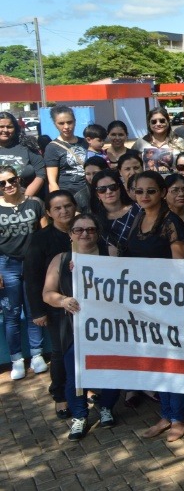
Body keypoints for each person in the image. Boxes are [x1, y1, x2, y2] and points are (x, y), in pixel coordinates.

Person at [122, 171, 184, 441]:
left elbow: (180, 267)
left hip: (168, 304)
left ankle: (179, 418)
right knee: (155, 362)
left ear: (162, 192)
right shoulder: (138, 217)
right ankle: (165, 414)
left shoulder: (171, 222)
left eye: (151, 191)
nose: (145, 196)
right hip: (143, 303)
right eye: (139, 191)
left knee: (172, 361)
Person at [42, 214, 122, 440]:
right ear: (70, 234)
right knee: (74, 374)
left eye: (91, 229)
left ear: (98, 232)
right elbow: (47, 293)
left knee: (111, 370)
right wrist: (63, 301)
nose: (85, 234)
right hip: (74, 328)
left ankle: (106, 406)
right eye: (78, 230)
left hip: (108, 326)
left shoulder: (111, 253)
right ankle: (79, 415)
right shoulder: (61, 259)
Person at [22, 190, 77, 418]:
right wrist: (38, 311)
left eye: (67, 206)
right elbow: (32, 277)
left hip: (84, 304)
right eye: (57, 208)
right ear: (49, 213)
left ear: (75, 206)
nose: (64, 211)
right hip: (56, 306)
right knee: (59, 351)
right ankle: (60, 395)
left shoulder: (86, 231)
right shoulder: (41, 238)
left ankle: (84, 388)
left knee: (82, 350)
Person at [0, 165, 47, 381]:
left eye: (11, 180)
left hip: (33, 264)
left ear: (18, 179)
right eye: (2, 183)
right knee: (11, 313)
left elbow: (45, 233)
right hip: (6, 263)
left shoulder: (34, 203)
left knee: (33, 310)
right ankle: (16, 358)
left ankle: (36, 354)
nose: (8, 185)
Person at [44, 105, 89, 205]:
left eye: (69, 122)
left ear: (75, 121)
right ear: (55, 124)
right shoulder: (52, 148)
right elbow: (52, 181)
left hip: (89, 194)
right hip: (69, 197)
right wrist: (61, 203)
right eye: (61, 123)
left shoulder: (85, 143)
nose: (66, 127)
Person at [134, 107, 184, 175]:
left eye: (162, 121)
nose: (158, 124)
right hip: (148, 184)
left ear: (168, 122)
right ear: (149, 124)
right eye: (154, 122)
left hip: (173, 183)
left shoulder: (179, 141)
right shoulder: (140, 142)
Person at [0, 112, 44, 197]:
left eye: (9, 127)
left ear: (15, 128)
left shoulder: (28, 146)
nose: (5, 130)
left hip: (26, 200)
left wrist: (24, 199)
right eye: (1, 127)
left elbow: (41, 174)